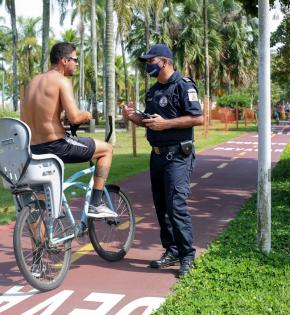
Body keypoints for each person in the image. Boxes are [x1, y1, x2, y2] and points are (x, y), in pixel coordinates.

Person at [122, 44, 204, 277]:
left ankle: (187, 256)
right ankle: (172, 250)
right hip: (157, 155)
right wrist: (132, 117)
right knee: (162, 206)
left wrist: (166, 124)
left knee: (176, 205)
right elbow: (149, 121)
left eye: (151, 61)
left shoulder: (183, 86)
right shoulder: (153, 91)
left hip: (178, 155)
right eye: (147, 62)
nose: (148, 65)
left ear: (164, 62)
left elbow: (198, 119)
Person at [21, 42, 116, 218]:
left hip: (33, 149)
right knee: (107, 149)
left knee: (40, 204)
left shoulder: (32, 83)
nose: (77, 63)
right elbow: (75, 117)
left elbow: (34, 116)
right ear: (64, 60)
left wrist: (59, 118)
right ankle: (96, 203)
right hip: (57, 146)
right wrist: (88, 115)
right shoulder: (61, 81)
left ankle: (42, 245)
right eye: (75, 59)